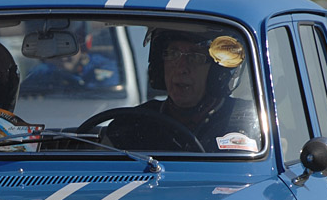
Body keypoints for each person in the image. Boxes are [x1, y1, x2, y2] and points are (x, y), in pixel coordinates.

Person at [100, 28, 259, 152]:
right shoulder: (132, 126)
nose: (181, 68)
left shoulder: (251, 124)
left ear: (217, 73)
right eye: (173, 54)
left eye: (195, 57)